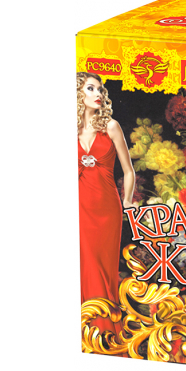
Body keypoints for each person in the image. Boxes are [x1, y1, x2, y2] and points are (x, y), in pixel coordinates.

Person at [77, 72, 135, 334]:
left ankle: (106, 332)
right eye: (91, 88)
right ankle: (85, 329)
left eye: (100, 89)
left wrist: (127, 201)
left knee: (103, 268)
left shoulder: (111, 126)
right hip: (79, 206)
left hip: (107, 208)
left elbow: (128, 171)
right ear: (77, 93)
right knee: (83, 263)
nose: (98, 94)